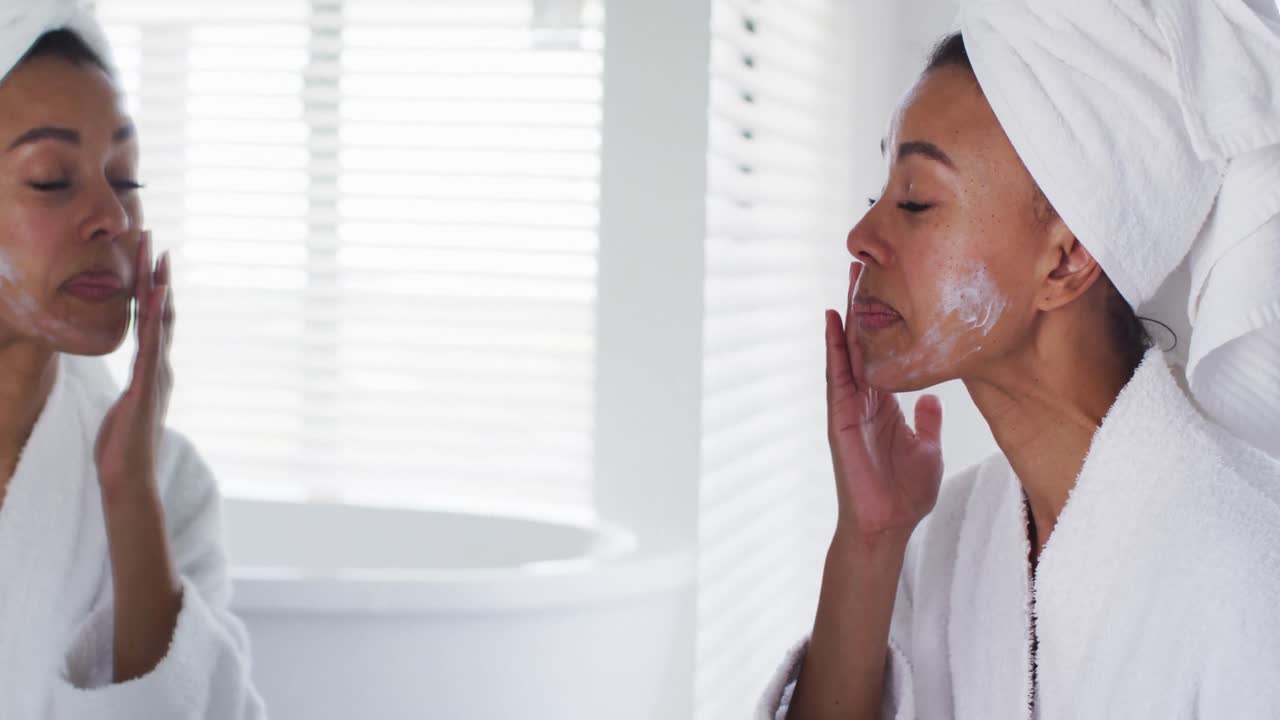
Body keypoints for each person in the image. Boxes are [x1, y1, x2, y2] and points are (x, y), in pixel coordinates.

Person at [759, 3, 1280, 718]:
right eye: (878, 194)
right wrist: (869, 536)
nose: (860, 236)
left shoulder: (1252, 574)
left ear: (1064, 260)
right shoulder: (951, 539)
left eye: (913, 202)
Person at [0, 4, 265, 717]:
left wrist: (129, 498)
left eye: (125, 177)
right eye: (53, 180)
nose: (113, 217)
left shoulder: (165, 482)